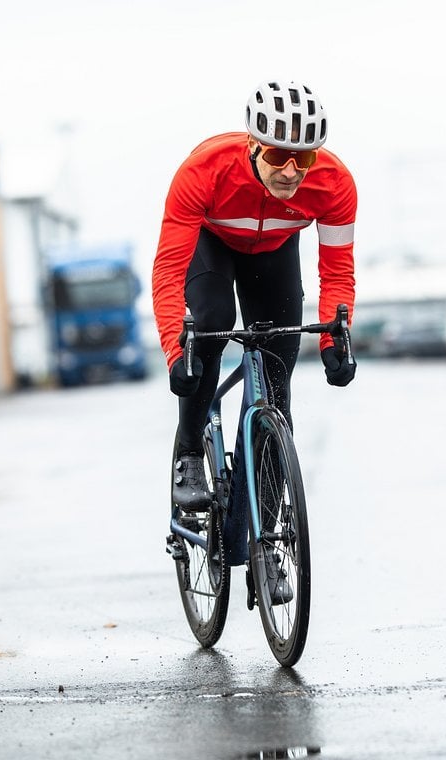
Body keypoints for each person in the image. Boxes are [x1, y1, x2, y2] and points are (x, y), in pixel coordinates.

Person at [152, 79, 358, 525]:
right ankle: (188, 454)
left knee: (277, 384)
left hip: (275, 251)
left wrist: (334, 342)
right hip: (213, 243)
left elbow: (337, 272)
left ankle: (269, 530)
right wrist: (175, 350)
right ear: (252, 144)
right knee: (213, 320)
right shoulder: (203, 171)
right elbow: (169, 269)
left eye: (302, 157)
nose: (290, 170)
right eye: (276, 156)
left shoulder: (335, 184)